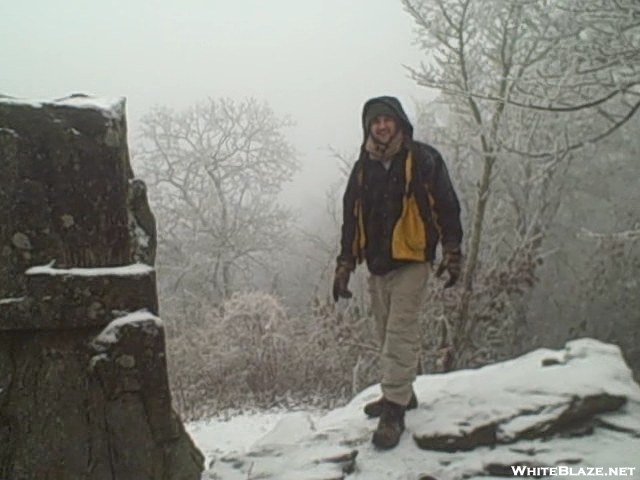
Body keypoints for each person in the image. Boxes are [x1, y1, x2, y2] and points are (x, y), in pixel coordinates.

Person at [332, 96, 463, 449]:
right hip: (377, 264)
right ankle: (405, 392)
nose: (382, 127)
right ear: (368, 128)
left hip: (412, 260)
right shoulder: (363, 169)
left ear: (400, 123)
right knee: (386, 333)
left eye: (388, 120)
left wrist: (452, 251)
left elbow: (447, 205)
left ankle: (394, 410)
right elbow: (350, 217)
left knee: (400, 332)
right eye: (375, 122)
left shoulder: (423, 159)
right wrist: (345, 264)